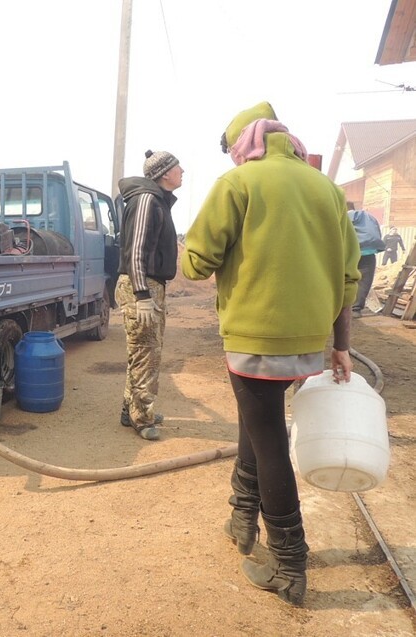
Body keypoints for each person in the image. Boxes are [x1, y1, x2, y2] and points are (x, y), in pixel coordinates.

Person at [181, 102, 360, 606]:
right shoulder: (324, 188)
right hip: (306, 343)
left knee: (270, 440)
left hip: (255, 339)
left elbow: (196, 263)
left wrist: (195, 255)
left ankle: (289, 561)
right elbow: (349, 277)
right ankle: (242, 517)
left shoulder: (239, 185)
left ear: (246, 144)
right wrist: (341, 346)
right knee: (257, 425)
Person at [115, 150, 183, 440]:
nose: (183, 171)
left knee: (142, 352)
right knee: (147, 353)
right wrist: (142, 295)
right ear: (165, 173)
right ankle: (141, 418)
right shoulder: (147, 200)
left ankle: (131, 409)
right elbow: (136, 252)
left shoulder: (156, 200)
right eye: (178, 166)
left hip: (149, 285)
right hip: (141, 285)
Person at [347, 203, 384, 318]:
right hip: (369, 252)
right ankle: (356, 310)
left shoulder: (346, 215)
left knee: (345, 279)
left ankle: (342, 308)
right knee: (364, 282)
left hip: (351, 252)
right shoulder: (369, 217)